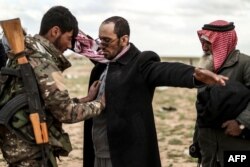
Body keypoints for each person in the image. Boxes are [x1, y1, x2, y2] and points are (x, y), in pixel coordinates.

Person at [82, 16, 228, 167]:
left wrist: (193, 75)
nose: (102, 45)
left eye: (107, 40)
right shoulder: (102, 65)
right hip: (97, 150)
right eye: (100, 40)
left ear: (124, 40)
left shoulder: (140, 63)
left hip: (124, 155)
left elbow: (166, 71)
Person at [0, 6, 104, 167]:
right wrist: (100, 104)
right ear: (55, 31)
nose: (69, 45)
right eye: (69, 38)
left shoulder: (25, 51)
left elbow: (42, 101)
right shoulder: (43, 61)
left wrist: (85, 99)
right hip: (31, 152)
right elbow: (66, 113)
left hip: (17, 148)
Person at [193, 20, 250, 167]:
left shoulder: (245, 64)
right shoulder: (206, 67)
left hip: (238, 147)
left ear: (222, 43)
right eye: (202, 42)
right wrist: (197, 142)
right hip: (209, 150)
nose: (204, 47)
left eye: (208, 43)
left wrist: (241, 124)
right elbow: (202, 108)